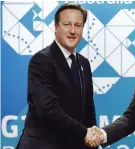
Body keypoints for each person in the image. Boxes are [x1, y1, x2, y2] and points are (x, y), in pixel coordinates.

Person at [16, 3, 100, 149]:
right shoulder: (41, 61)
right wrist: (84, 133)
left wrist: (93, 137)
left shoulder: (84, 63)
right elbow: (49, 110)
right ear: (56, 27)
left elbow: (88, 108)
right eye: (67, 24)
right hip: (43, 144)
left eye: (78, 25)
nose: (73, 31)